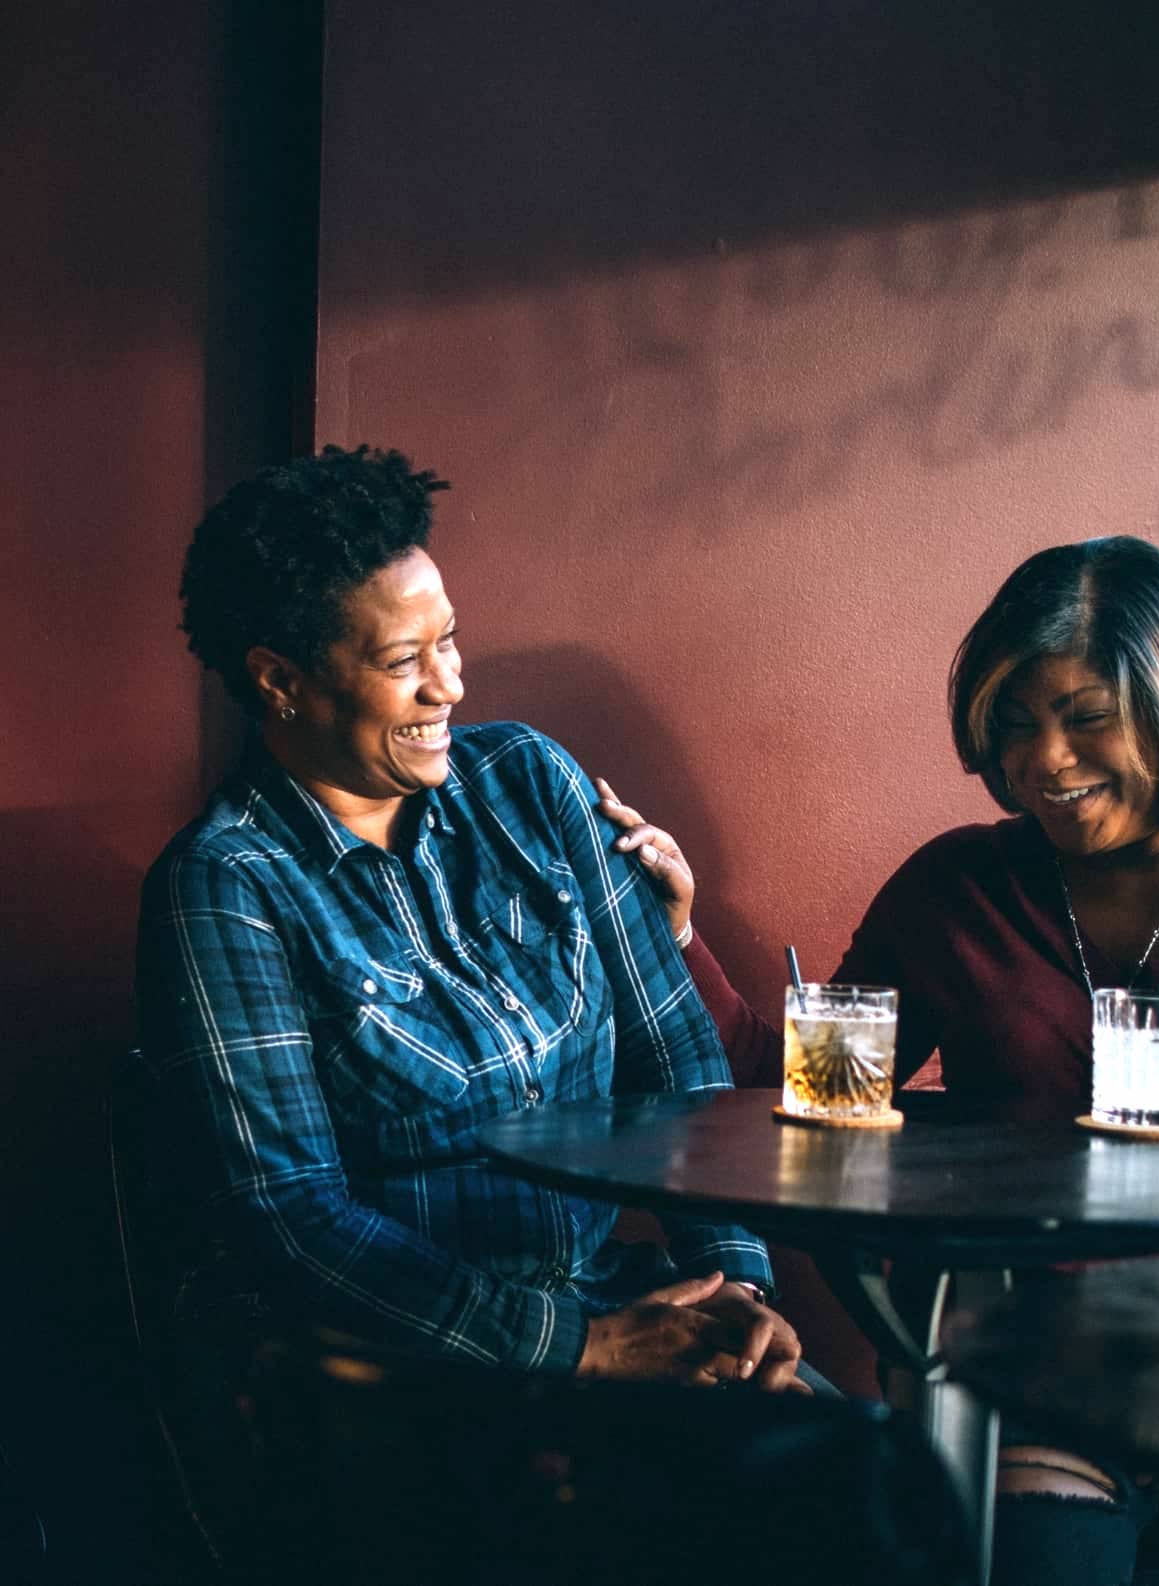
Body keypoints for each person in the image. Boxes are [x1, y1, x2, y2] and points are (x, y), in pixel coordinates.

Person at [597, 535, 1159, 1585]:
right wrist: (676, 935)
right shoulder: (959, 889)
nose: (1044, 759)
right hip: (1055, 1376)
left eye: (1086, 716)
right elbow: (808, 1084)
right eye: (1015, 722)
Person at [133, 444, 812, 1409]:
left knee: (865, 1473)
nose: (448, 684)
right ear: (281, 679)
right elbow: (288, 1219)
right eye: (403, 660)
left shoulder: (531, 782)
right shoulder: (224, 888)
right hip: (402, 1373)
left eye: (447, 640)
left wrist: (733, 1283)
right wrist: (582, 1348)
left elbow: (677, 1063)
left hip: (622, 1306)